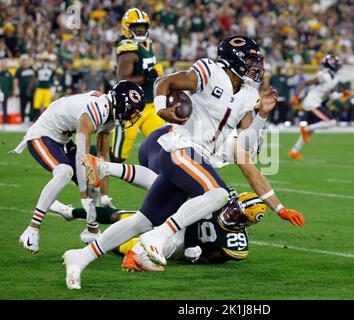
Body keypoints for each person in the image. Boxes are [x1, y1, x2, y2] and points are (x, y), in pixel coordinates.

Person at [63, 35, 304, 289]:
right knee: (218, 194)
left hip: (196, 157)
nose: (256, 67)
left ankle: (81, 256)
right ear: (234, 59)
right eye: (251, 61)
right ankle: (157, 238)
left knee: (142, 220)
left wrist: (262, 116)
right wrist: (159, 109)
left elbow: (249, 148)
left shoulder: (247, 94)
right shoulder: (211, 72)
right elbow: (164, 82)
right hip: (179, 147)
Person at [10, 80, 145, 253]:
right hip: (43, 135)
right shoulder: (96, 111)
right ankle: (32, 228)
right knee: (65, 172)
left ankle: (91, 230)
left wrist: (102, 192)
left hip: (63, 139)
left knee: (93, 181)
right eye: (132, 112)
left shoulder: (111, 114)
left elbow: (102, 158)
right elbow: (82, 157)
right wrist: (83, 195)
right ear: (121, 104)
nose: (131, 117)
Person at [50, 191, 266, 268]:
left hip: (181, 245)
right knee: (129, 218)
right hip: (182, 220)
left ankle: (97, 244)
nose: (231, 212)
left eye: (238, 214)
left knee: (135, 245)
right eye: (234, 207)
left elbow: (211, 259)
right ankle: (71, 212)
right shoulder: (219, 199)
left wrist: (194, 257)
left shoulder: (236, 245)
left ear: (246, 223)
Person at [110, 8, 166, 163]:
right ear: (127, 28)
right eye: (136, 27)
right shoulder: (128, 49)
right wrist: (149, 75)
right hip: (131, 109)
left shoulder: (147, 44)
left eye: (143, 26)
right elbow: (122, 80)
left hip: (150, 106)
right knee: (117, 157)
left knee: (165, 144)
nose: (141, 30)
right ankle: (79, 154)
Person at [288, 55, 341, 160]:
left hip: (316, 103)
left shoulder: (334, 78)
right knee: (331, 122)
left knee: (311, 131)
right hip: (311, 103)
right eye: (336, 63)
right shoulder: (324, 75)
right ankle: (307, 129)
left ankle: (294, 151)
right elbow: (304, 83)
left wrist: (343, 95)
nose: (338, 65)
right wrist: (296, 96)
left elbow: (332, 95)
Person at [31, 52, 56, 122]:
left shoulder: (52, 67)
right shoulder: (38, 66)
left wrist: (53, 88)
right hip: (39, 88)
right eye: (44, 60)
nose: (45, 61)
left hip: (47, 88)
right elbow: (34, 74)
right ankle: (35, 120)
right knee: (36, 105)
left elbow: (53, 78)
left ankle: (45, 121)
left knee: (47, 106)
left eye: (46, 60)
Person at [14, 54, 35, 123]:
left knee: (33, 106)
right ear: (21, 61)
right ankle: (22, 120)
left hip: (32, 91)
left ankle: (31, 120)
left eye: (25, 60)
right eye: (23, 60)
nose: (24, 62)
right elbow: (16, 80)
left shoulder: (32, 68)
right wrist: (15, 89)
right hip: (23, 90)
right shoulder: (19, 70)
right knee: (23, 106)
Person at [0, 60, 14, 125]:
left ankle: (4, 121)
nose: (3, 66)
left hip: (5, 93)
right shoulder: (0, 74)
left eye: (4, 65)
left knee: (5, 108)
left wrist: (11, 92)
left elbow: (11, 83)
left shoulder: (9, 74)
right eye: (2, 65)